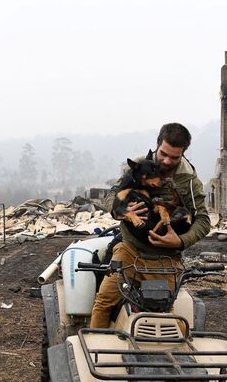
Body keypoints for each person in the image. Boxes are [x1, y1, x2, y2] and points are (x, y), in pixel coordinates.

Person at [90, 122, 211, 328]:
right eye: (163, 153)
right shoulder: (138, 165)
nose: (166, 160)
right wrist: (123, 212)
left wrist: (180, 241)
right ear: (157, 144)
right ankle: (94, 351)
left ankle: (172, 354)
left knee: (163, 309)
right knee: (104, 302)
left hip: (165, 258)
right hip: (130, 250)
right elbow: (112, 194)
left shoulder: (189, 180)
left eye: (174, 157)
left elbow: (203, 221)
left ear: (183, 154)